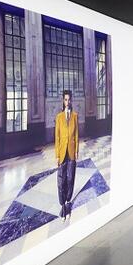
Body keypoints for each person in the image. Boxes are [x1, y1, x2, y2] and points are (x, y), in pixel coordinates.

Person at [55, 89, 78, 221]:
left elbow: (76, 135)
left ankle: (68, 202)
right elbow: (57, 137)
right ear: (63, 101)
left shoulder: (75, 116)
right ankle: (62, 205)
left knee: (70, 179)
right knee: (61, 180)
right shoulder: (59, 117)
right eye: (65, 100)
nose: (67, 102)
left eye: (69, 100)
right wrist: (57, 155)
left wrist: (76, 151)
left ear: (71, 101)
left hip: (72, 152)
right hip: (62, 152)